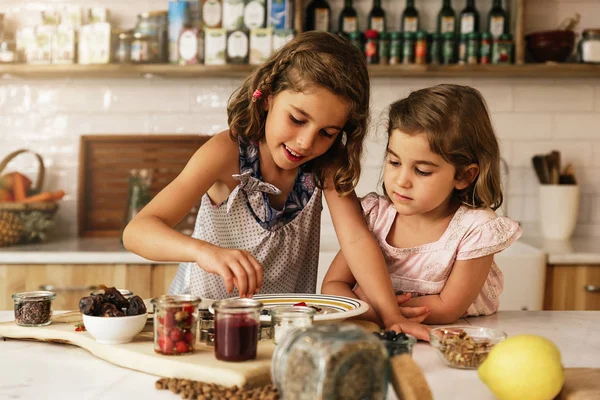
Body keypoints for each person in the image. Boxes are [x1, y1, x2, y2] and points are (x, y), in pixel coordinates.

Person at [123, 31, 430, 340]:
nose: (306, 142)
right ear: (268, 95)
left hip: (284, 331)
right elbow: (137, 232)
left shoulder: (326, 164)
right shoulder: (226, 153)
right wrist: (205, 252)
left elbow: (357, 240)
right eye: (297, 119)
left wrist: (392, 315)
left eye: (328, 132)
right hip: (204, 326)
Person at [322, 84, 523, 325]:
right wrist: (386, 315)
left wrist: (377, 310)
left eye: (422, 171)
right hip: (384, 335)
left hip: (454, 337)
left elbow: (447, 308)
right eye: (395, 162)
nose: (402, 181)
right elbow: (333, 286)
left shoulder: (476, 230)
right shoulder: (376, 218)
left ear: (464, 176)